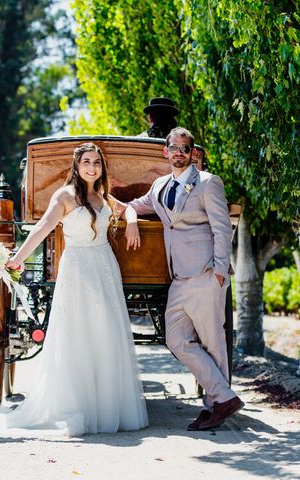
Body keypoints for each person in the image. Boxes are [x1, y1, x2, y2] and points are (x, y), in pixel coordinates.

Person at [3, 142, 148, 436]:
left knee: (106, 330)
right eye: (86, 162)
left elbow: (128, 209)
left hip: (105, 266)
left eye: (96, 162)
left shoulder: (103, 197)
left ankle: (107, 406)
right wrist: (17, 259)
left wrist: (131, 222)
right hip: (78, 268)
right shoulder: (65, 196)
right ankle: (78, 405)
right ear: (77, 166)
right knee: (79, 331)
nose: (92, 167)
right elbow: (43, 227)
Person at [129, 127, 243, 431]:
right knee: (175, 339)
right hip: (178, 277)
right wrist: (115, 209)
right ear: (165, 152)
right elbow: (137, 205)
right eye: (173, 147)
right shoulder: (159, 186)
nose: (178, 152)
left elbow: (222, 228)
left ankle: (215, 405)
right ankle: (224, 397)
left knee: (213, 343)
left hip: (206, 274)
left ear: (192, 153)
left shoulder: (208, 183)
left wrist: (220, 271)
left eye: (184, 147)